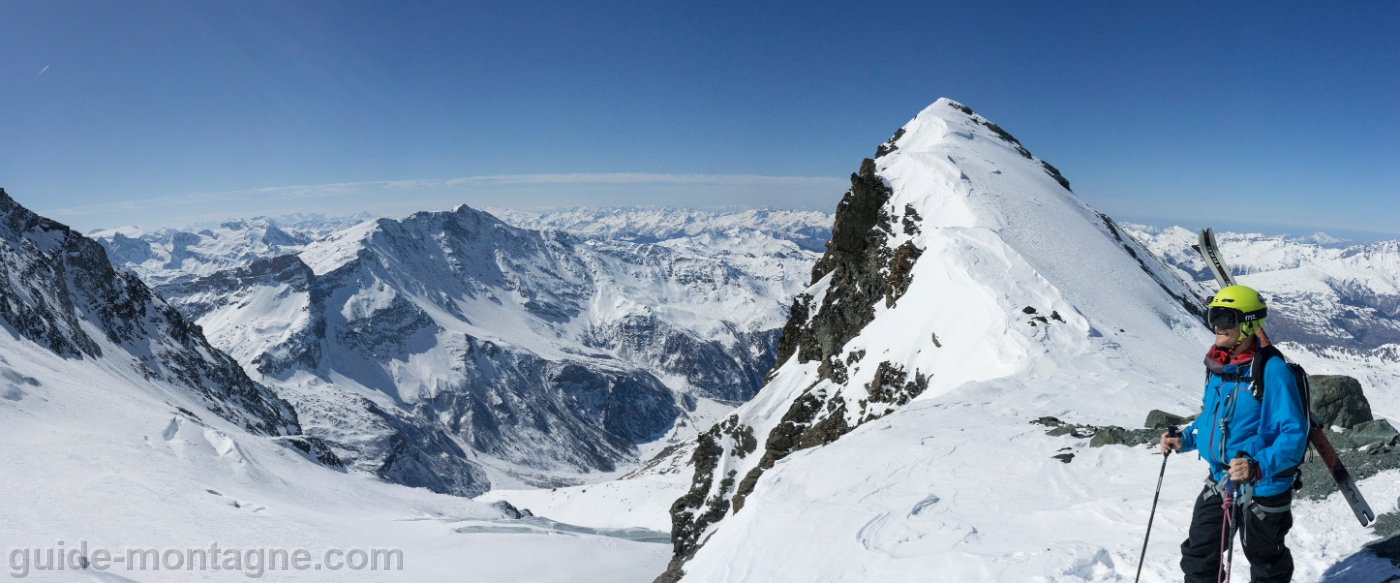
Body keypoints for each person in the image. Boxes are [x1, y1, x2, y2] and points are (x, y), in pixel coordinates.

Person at [1159, 285, 1309, 583]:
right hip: (1221, 480)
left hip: (1263, 486)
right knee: (1199, 555)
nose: (1217, 325)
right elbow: (1211, 418)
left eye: (1226, 318)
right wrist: (1186, 438)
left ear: (1248, 324)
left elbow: (1293, 434)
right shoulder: (1219, 366)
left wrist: (1257, 466)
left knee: (1266, 562)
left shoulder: (1271, 371)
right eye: (1213, 315)